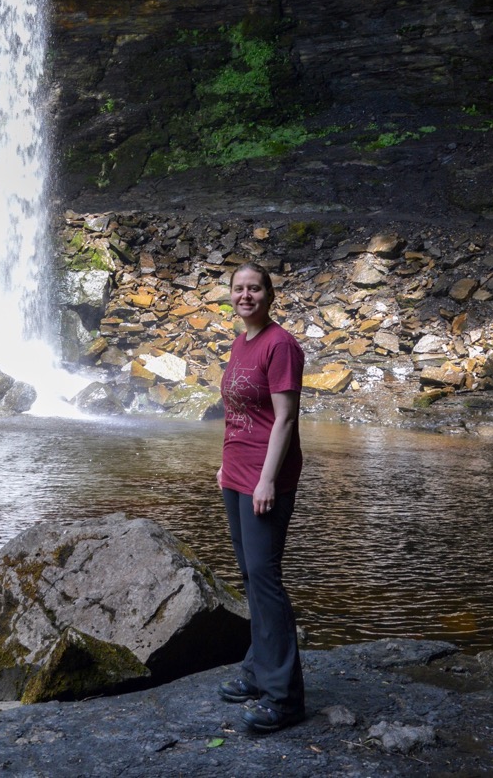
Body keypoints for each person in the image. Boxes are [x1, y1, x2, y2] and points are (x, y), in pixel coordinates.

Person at [216, 261, 305, 733]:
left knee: (265, 579)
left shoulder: (280, 344)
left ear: (269, 295)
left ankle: (284, 698)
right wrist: (225, 467)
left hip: (265, 478)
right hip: (236, 473)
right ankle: (256, 669)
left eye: (254, 289)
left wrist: (266, 480)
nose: (245, 295)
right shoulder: (242, 341)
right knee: (251, 577)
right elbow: (237, 414)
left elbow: (285, 419)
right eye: (238, 289)